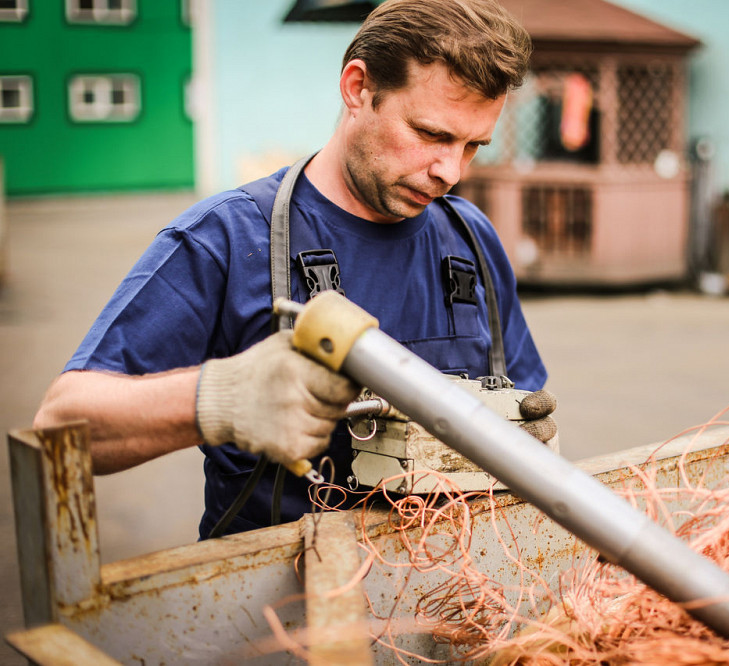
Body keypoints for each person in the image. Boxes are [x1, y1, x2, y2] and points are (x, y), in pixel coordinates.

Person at [33, 0, 554, 539]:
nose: (451, 171)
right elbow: (61, 425)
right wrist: (223, 398)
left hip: (455, 592)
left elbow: (527, 403)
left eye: (474, 146)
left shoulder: (471, 240)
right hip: (274, 603)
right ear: (357, 89)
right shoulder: (230, 239)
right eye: (431, 134)